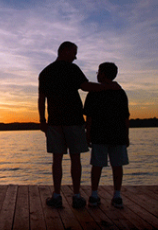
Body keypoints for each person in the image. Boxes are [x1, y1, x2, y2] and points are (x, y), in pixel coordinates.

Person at [38, 41, 120, 209]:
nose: (76, 56)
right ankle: (76, 196)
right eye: (74, 53)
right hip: (73, 121)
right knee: (75, 158)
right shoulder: (72, 69)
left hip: (54, 122)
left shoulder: (45, 72)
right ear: (65, 51)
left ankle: (57, 195)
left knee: (57, 159)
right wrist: (107, 86)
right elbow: (85, 87)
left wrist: (42, 121)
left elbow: (41, 98)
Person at [84, 62, 130, 209]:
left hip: (99, 134)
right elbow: (125, 117)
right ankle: (117, 196)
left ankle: (94, 195)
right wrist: (126, 136)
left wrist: (88, 134)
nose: (97, 74)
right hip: (118, 134)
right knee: (117, 165)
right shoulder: (120, 92)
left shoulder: (94, 93)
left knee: (97, 165)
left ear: (103, 74)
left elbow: (89, 118)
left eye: (98, 72)